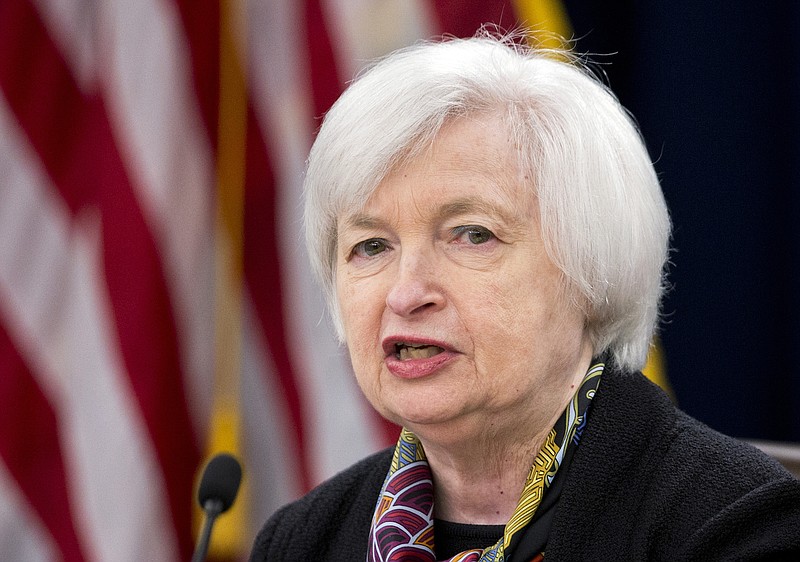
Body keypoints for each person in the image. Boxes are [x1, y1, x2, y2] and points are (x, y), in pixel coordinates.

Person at [250, 33, 800, 561]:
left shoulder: (737, 528)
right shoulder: (305, 539)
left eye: (472, 235)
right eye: (371, 246)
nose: (407, 292)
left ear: (591, 270)